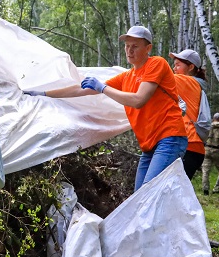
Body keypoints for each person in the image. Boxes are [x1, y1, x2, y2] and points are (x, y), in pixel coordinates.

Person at [25, 25, 187, 191]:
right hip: (149, 145)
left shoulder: (156, 63)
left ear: (148, 48)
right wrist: (44, 93)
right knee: (141, 195)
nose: (129, 50)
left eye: (135, 46)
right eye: (127, 46)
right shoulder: (127, 77)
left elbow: (139, 100)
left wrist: (102, 88)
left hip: (169, 137)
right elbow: (81, 89)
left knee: (148, 193)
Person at [170, 48, 209, 179]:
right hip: (192, 146)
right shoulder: (195, 84)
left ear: (191, 67)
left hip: (189, 145)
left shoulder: (188, 82)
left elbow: (157, 77)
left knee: (172, 188)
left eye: (178, 65)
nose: (174, 68)